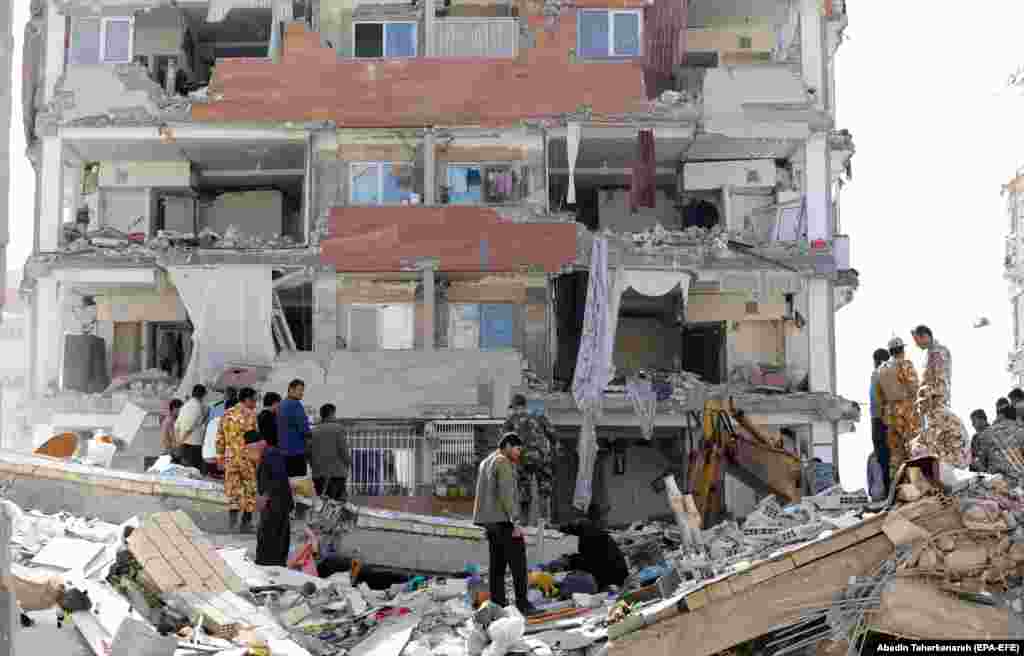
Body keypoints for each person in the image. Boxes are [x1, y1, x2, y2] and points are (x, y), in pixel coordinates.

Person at [473, 432, 536, 616]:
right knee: (518, 564)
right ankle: (523, 604)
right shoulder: (503, 462)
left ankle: (498, 605)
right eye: (517, 449)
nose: (518, 454)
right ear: (508, 445)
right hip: (503, 521)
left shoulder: (486, 462)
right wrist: (515, 520)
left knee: (497, 567)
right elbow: (507, 494)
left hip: (489, 523)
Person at [502, 394, 556, 524]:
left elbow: (505, 441)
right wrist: (552, 453)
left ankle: (524, 523)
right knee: (544, 491)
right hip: (542, 459)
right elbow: (553, 436)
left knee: (523, 492)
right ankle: (545, 522)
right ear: (525, 405)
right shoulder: (539, 416)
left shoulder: (511, 419)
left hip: (522, 459)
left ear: (515, 407)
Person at [216, 387, 260, 532]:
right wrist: (258, 459)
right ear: (247, 399)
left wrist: (220, 457)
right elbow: (252, 439)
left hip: (230, 458)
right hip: (246, 457)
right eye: (254, 399)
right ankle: (245, 524)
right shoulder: (251, 415)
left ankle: (232, 523)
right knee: (250, 489)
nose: (255, 402)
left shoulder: (226, 414)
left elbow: (220, 438)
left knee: (233, 490)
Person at [878, 337, 921, 483]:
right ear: (902, 349)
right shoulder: (905, 364)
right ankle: (915, 486)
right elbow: (915, 387)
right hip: (906, 412)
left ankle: (895, 488)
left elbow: (880, 396)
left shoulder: (882, 369)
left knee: (896, 455)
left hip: (890, 415)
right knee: (913, 450)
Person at [256, 429, 294, 566]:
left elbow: (278, 480)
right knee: (274, 537)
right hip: (276, 504)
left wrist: (264, 497)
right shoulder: (269, 454)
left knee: (271, 536)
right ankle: (271, 563)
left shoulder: (271, 454)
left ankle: (269, 564)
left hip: (276, 505)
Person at [972, 401, 1024, 487]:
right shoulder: (1020, 431)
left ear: (1000, 416)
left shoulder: (984, 434)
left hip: (998, 485)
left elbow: (981, 466)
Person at [310, 403, 351, 501]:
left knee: (323, 502)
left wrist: (314, 465)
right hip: (337, 473)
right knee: (338, 503)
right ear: (332, 414)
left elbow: (308, 452)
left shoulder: (313, 431)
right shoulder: (339, 429)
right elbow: (343, 451)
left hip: (318, 474)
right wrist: (349, 463)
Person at [869, 348, 891, 498]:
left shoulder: (878, 374)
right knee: (887, 457)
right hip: (888, 420)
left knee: (882, 456)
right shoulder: (892, 373)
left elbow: (876, 399)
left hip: (880, 419)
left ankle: (887, 492)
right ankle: (888, 490)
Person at [278, 379, 312, 478]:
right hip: (296, 451)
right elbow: (304, 428)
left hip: (283, 450)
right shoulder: (296, 404)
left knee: (287, 484)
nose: (302, 393)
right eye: (300, 390)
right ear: (291, 389)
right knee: (299, 485)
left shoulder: (281, 404)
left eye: (303, 390)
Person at [175, 385, 209, 473]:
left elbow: (177, 425)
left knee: (185, 473)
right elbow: (189, 427)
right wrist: (181, 441)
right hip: (191, 445)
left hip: (185, 443)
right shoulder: (196, 407)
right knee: (193, 473)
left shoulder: (185, 406)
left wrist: (179, 440)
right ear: (203, 395)